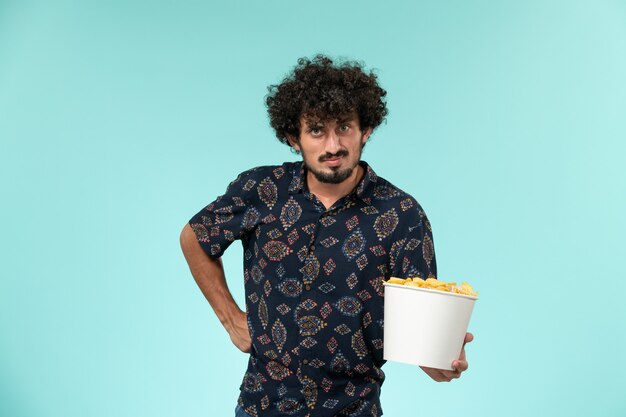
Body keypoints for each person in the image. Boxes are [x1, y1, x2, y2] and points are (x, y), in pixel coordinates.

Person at [180, 55, 472, 417]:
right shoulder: (262, 190)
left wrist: (442, 360)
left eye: (345, 127)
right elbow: (195, 236)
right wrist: (230, 318)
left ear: (366, 130)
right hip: (262, 405)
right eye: (317, 130)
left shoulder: (402, 215)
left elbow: (422, 334)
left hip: (354, 408)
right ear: (293, 137)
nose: (333, 145)